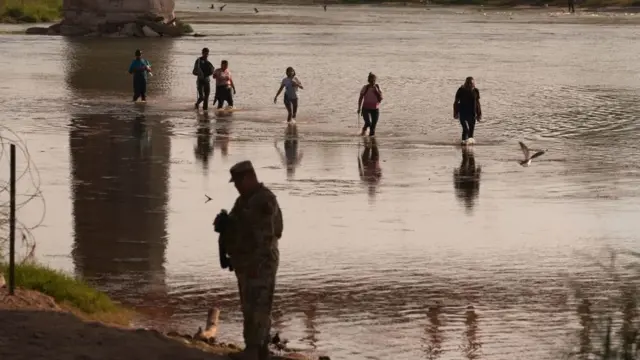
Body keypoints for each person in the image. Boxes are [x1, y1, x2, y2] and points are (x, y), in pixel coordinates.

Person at [214, 161, 283, 360]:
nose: (236, 186)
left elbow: (265, 237)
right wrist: (225, 225)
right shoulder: (244, 200)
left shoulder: (264, 201)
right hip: (246, 263)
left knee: (259, 306)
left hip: (260, 263)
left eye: (238, 182)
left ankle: (255, 350)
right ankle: (257, 349)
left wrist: (255, 263)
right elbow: (237, 225)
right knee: (249, 305)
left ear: (249, 178)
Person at [453, 76, 482, 145]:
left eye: (471, 83)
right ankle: (463, 143)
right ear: (465, 83)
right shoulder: (461, 90)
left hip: (472, 114)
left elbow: (477, 103)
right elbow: (456, 102)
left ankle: (469, 147)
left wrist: (479, 114)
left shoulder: (475, 91)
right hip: (462, 112)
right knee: (465, 129)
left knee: (471, 132)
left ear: (473, 84)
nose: (469, 85)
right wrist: (455, 112)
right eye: (468, 83)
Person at [357, 73, 383, 137]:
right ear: (368, 81)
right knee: (368, 123)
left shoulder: (377, 87)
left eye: (374, 81)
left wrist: (376, 91)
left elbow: (381, 98)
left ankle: (371, 141)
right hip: (365, 108)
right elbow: (360, 98)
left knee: (373, 129)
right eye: (371, 81)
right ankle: (363, 131)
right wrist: (359, 108)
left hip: (375, 109)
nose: (373, 82)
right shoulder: (365, 87)